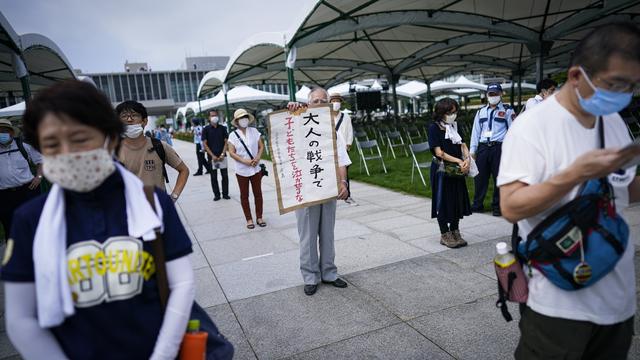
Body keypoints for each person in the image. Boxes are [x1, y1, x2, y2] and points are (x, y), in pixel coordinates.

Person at [2, 80, 196, 359]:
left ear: (109, 138)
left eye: (80, 138)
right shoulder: (30, 219)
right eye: (52, 143)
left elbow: (182, 283)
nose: (68, 152)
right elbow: (21, 318)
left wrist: (163, 355)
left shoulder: (154, 203)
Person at [498, 22, 640, 359]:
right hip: (558, 305)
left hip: (617, 299)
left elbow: (624, 192)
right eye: (615, 84)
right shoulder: (533, 126)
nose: (624, 95)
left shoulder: (612, 120)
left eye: (633, 86)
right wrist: (575, 174)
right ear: (577, 76)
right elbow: (511, 206)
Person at [287, 87, 351, 296]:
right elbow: (284, 134)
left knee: (327, 233)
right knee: (307, 234)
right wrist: (293, 112)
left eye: (324, 101)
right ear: (307, 103)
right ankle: (310, 276)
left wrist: (343, 182)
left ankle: (329, 273)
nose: (320, 104)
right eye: (316, 101)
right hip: (306, 190)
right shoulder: (297, 123)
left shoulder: (331, 129)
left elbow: (341, 159)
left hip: (329, 187)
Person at [116, 100, 189, 202]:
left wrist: (173, 197)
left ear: (144, 121)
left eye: (134, 115)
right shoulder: (113, 151)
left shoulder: (159, 146)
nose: (129, 119)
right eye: (124, 116)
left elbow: (184, 170)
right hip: (129, 212)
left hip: (159, 209)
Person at [428, 98, 472, 248]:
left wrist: (467, 159)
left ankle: (455, 230)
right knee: (443, 201)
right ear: (441, 113)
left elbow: (463, 144)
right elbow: (439, 153)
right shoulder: (434, 128)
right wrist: (459, 161)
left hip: (457, 171)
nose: (453, 115)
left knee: (457, 199)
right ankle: (445, 233)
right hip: (442, 170)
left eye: (454, 112)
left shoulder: (454, 126)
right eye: (449, 112)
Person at [469, 83, 515, 216]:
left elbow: (513, 131)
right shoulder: (480, 111)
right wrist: (473, 150)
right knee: (479, 177)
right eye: (491, 94)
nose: (493, 96)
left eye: (496, 93)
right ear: (487, 95)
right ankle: (477, 204)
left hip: (499, 148)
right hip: (483, 148)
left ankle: (498, 207)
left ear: (501, 94)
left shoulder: (508, 110)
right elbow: (475, 132)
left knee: (499, 178)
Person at [0, 119, 43, 241]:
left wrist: (39, 177)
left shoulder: (23, 146)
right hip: (4, 196)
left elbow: (41, 161)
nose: (1, 134)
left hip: (27, 191)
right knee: (9, 226)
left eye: (4, 131)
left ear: (11, 133)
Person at [227, 108, 265, 229]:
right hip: (242, 170)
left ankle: (259, 217)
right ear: (237, 121)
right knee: (244, 195)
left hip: (255, 168)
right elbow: (231, 152)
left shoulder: (254, 131)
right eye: (241, 118)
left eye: (245, 117)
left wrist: (257, 158)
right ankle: (249, 219)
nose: (244, 120)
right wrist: (245, 161)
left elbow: (261, 146)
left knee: (258, 194)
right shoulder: (232, 135)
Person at [330, 93, 356, 205]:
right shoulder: (326, 116)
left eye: (337, 100)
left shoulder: (345, 117)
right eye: (333, 100)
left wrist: (349, 143)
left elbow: (350, 130)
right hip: (330, 148)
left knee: (345, 172)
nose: (335, 103)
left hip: (343, 146)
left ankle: (347, 195)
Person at [202, 110, 230, 201]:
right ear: (209, 118)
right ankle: (217, 195)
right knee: (213, 177)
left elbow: (226, 142)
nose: (214, 117)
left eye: (215, 115)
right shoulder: (206, 129)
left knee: (224, 175)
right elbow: (205, 144)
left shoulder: (223, 128)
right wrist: (212, 155)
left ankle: (225, 194)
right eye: (212, 115)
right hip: (212, 157)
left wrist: (222, 153)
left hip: (222, 156)